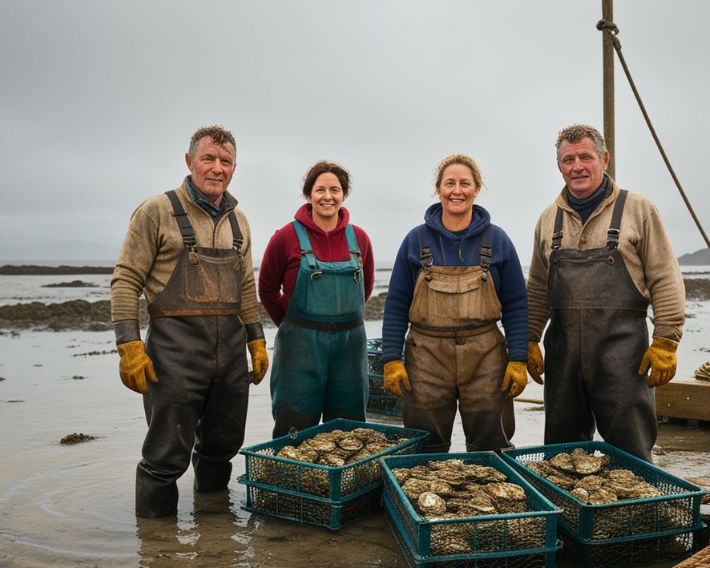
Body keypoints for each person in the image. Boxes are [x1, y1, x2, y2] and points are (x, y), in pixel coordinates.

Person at [111, 125, 268, 518]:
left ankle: (215, 538)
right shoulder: (156, 211)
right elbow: (126, 279)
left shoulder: (239, 222)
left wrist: (257, 340)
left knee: (222, 447)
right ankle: (158, 552)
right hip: (174, 354)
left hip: (230, 356)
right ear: (189, 162)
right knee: (165, 456)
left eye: (226, 161)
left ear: (234, 168)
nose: (217, 168)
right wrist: (128, 345)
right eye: (208, 158)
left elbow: (246, 287)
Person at [526, 123, 685, 462]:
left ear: (604, 159)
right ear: (559, 166)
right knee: (562, 455)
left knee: (631, 450)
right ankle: (570, 511)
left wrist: (666, 340)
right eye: (568, 160)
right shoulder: (548, 219)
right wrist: (527, 339)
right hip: (563, 354)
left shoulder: (638, 209)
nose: (577, 167)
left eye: (586, 157)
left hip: (622, 354)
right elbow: (538, 287)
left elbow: (665, 276)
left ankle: (636, 512)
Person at [382, 154, 529, 452]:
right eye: (449, 183)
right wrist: (391, 360)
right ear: (438, 190)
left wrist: (518, 359)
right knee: (424, 447)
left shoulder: (498, 240)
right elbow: (396, 304)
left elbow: (516, 304)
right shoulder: (416, 241)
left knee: (492, 445)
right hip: (426, 357)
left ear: (477, 189)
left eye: (465, 183)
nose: (457, 190)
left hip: (485, 355)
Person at [258, 161, 375, 438]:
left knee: (350, 434)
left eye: (335, 189)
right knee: (294, 430)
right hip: (299, 350)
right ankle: (292, 481)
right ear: (308, 194)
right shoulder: (285, 237)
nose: (327, 196)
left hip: (350, 347)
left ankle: (344, 482)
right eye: (320, 189)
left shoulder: (359, 239)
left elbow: (365, 289)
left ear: (343, 195)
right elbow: (267, 290)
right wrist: (292, 325)